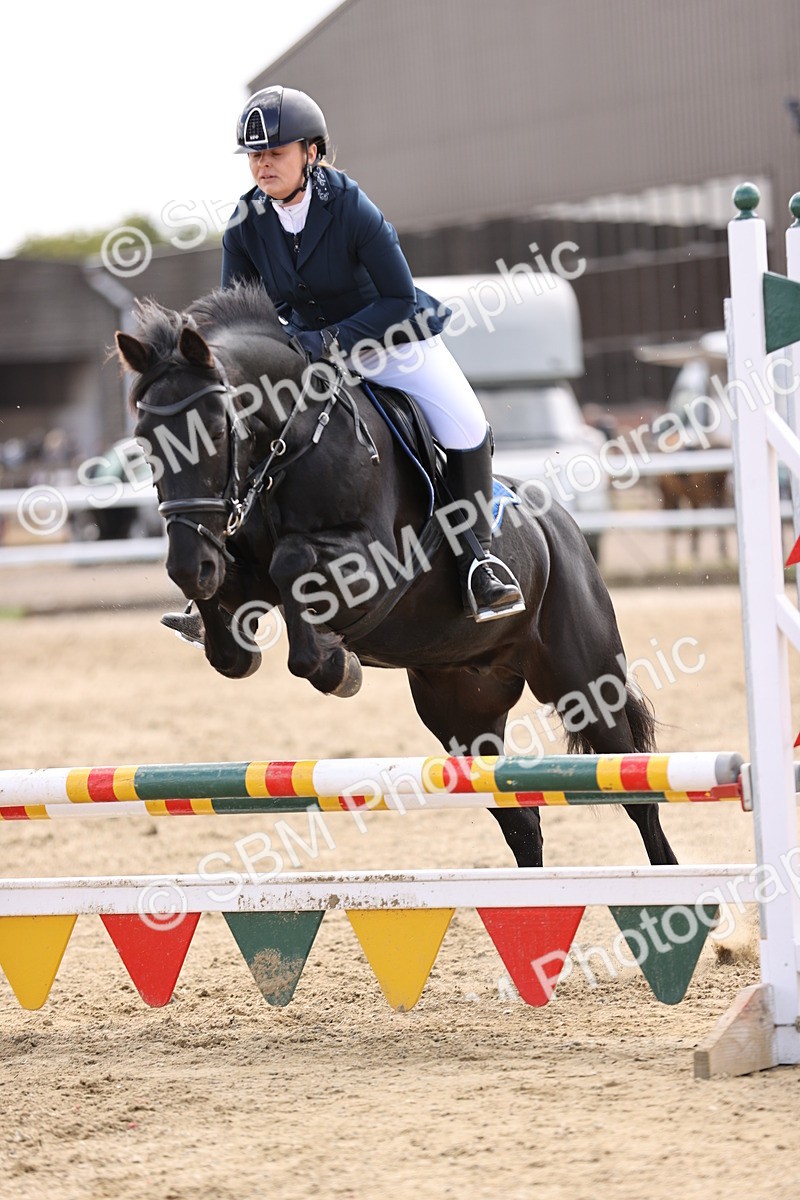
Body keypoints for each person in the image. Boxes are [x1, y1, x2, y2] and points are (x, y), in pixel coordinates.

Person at [174, 86, 523, 631]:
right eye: (255, 155)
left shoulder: (350, 207)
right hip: (311, 356)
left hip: (394, 344)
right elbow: (236, 314)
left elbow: (398, 299)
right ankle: (227, 586)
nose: (263, 165)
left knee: (467, 425)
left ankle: (478, 560)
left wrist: (327, 340)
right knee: (250, 431)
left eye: (276, 152)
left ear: (310, 152)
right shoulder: (246, 222)